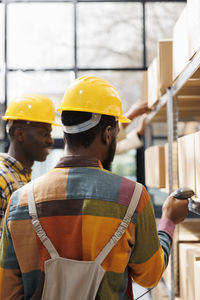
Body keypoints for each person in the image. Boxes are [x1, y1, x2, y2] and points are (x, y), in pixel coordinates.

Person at [0, 76, 188, 300]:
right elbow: (149, 276)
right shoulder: (133, 197)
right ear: (107, 133)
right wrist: (168, 221)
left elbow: (7, 292)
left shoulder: (20, 201)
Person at [0, 94, 59, 238]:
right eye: (45, 134)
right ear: (20, 134)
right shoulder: (2, 178)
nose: (51, 141)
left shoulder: (20, 177)